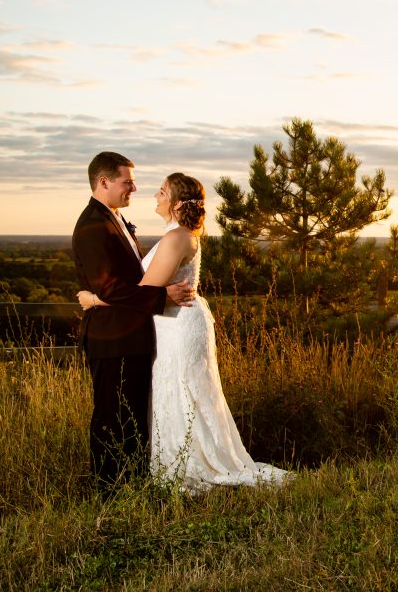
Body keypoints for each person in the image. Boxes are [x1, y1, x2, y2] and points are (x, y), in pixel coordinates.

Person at [78, 172, 292, 492]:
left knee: (182, 391)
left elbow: (144, 291)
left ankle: (188, 464)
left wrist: (94, 298)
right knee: (178, 391)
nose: (154, 196)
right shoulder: (180, 234)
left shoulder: (177, 237)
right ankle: (176, 460)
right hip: (173, 322)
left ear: (176, 203)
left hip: (177, 325)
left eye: (162, 192)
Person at [73, 152, 195, 490]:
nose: (134, 188)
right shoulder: (92, 226)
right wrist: (162, 297)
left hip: (131, 336)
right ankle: (108, 489)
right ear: (104, 182)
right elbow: (109, 287)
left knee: (132, 418)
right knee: (111, 418)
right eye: (127, 182)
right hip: (112, 339)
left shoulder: (112, 219)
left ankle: (134, 482)